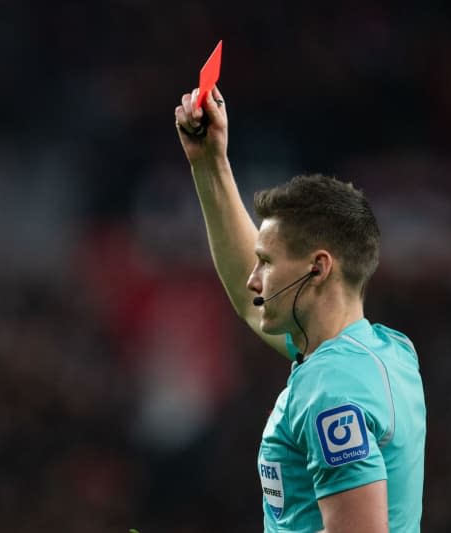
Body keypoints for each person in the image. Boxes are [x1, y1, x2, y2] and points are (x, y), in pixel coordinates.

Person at [174, 87, 425, 532]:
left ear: (318, 268)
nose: (253, 279)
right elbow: (252, 303)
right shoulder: (386, 350)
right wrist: (210, 163)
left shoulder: (331, 391)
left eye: (266, 263)